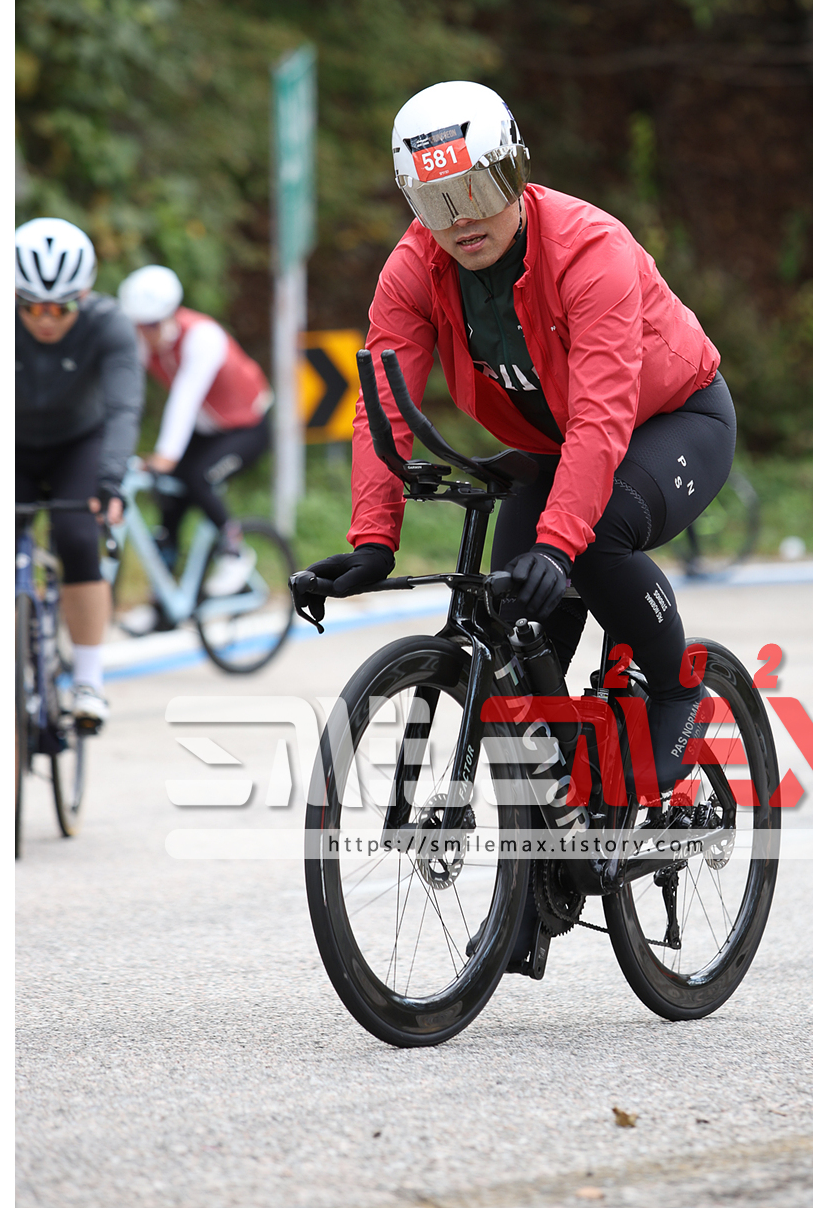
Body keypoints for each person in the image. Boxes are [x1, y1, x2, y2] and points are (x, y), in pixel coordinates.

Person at [302, 80, 737, 937]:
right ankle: (544, 871)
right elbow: (383, 406)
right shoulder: (413, 269)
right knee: (509, 634)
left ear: (514, 172)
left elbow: (604, 415)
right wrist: (373, 540)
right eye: (436, 200)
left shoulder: (591, 248)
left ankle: (674, 686)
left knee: (591, 539)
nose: (462, 218)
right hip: (553, 442)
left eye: (478, 189)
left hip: (672, 420)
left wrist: (560, 543)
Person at [16, 218, 143, 732]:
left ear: (84, 296)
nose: (46, 320)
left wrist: (110, 481)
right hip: (9, 445)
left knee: (76, 536)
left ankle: (88, 681)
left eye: (62, 307)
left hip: (77, 445)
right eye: (32, 307)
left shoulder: (109, 324)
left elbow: (123, 409)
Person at [116, 265, 273, 629]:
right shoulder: (142, 338)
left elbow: (184, 399)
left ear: (171, 314)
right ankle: (162, 608)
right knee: (169, 503)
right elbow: (124, 393)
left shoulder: (202, 336)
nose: (145, 335)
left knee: (198, 477)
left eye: (151, 325)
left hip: (247, 426)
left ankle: (235, 552)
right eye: (138, 326)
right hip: (206, 429)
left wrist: (165, 456)